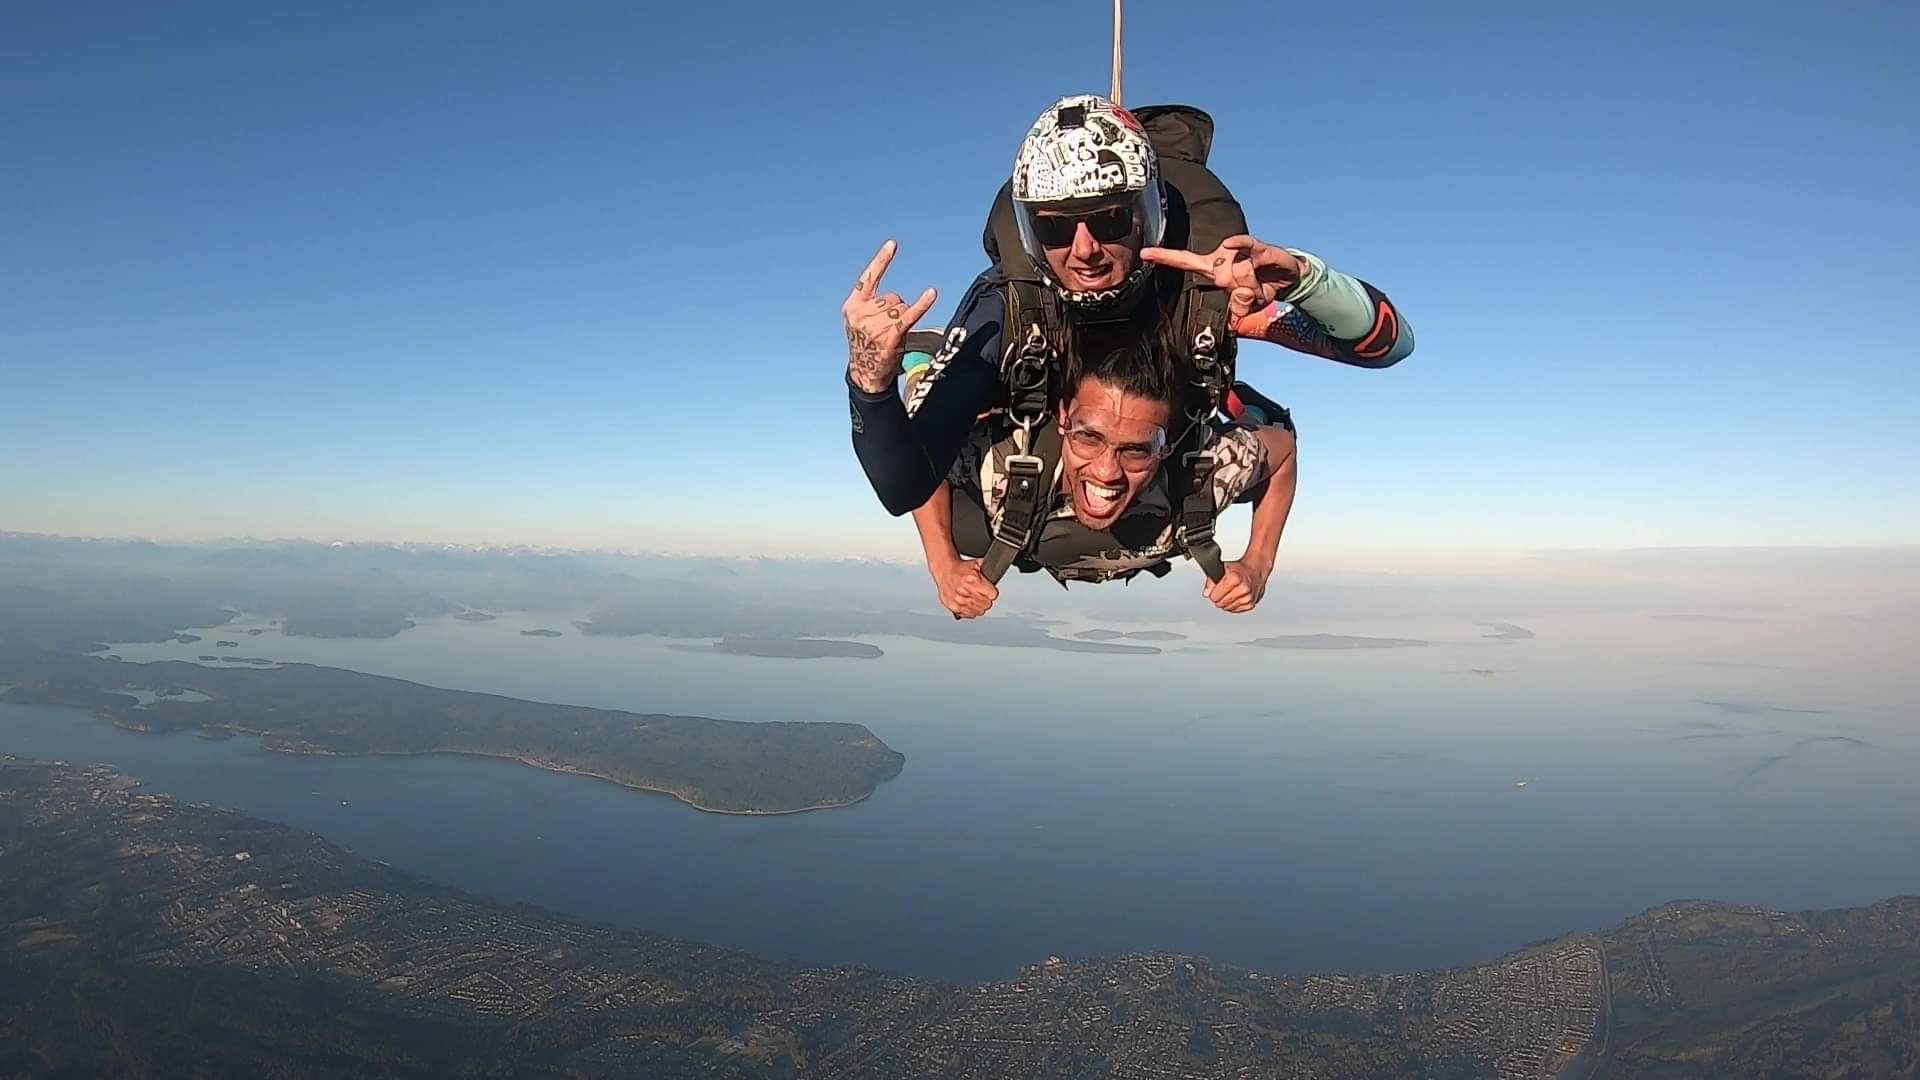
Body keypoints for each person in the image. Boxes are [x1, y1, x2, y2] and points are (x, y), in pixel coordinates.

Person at [844, 94, 1411, 581]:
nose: (1084, 248)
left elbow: (1386, 345)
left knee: (1259, 416)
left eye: (1110, 220)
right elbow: (904, 484)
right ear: (1029, 231)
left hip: (1159, 437)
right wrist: (870, 381)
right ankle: (924, 356)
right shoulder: (1012, 309)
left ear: (1147, 214)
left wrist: (1303, 279)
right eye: (1053, 227)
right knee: (944, 446)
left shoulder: (1207, 294)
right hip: (1038, 445)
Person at [909, 338, 1298, 619]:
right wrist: (943, 564)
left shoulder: (1206, 473)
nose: (1106, 471)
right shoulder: (1002, 464)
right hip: (1032, 523)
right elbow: (919, 460)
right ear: (1063, 419)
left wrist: (1257, 565)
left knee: (1272, 427)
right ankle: (922, 364)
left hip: (1069, 532)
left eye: (1136, 449)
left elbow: (1283, 451)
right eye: (1089, 437)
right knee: (929, 422)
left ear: (1164, 448)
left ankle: (1250, 414)